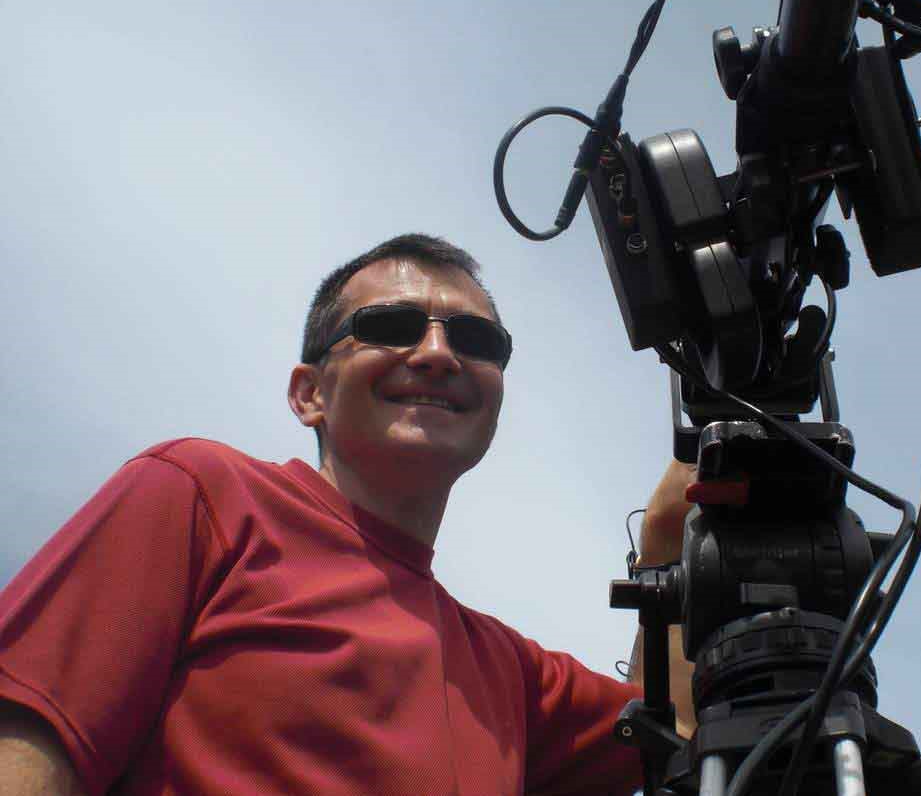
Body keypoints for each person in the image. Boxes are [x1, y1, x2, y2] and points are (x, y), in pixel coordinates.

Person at [0, 234, 695, 795]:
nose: (438, 354)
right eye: (390, 327)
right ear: (309, 395)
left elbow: (677, 733)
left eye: (476, 341)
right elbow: (33, 734)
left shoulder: (509, 676)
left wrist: (668, 543)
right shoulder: (204, 495)